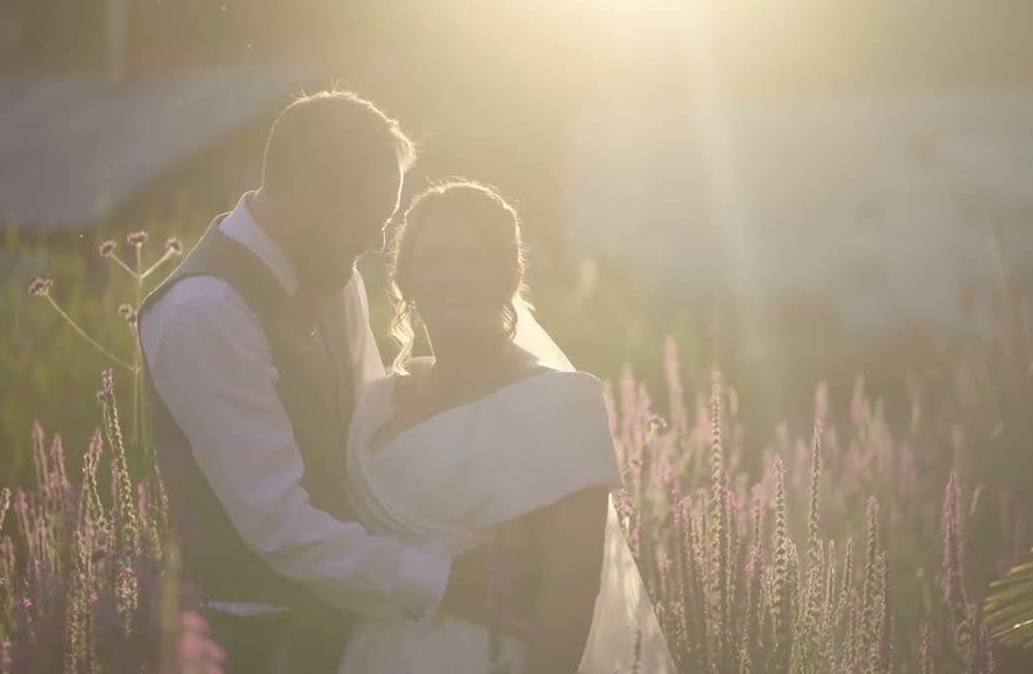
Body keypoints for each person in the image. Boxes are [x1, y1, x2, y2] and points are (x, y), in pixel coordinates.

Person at [137, 92, 530, 673]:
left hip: (354, 628)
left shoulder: (333, 275)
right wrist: (448, 580)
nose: (375, 243)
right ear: (311, 192)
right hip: (249, 643)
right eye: (370, 219)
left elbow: (374, 431)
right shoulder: (206, 311)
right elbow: (279, 525)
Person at [338, 180, 675, 673]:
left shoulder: (560, 404)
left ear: (511, 276)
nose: (452, 275)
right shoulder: (375, 400)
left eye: (474, 259)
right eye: (433, 259)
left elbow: (572, 592)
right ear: (405, 278)